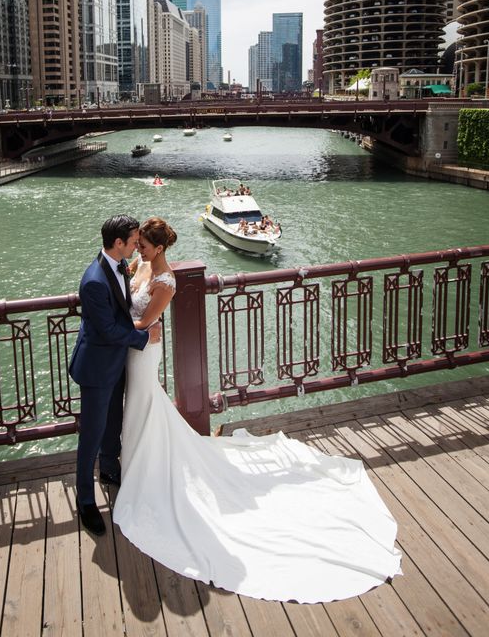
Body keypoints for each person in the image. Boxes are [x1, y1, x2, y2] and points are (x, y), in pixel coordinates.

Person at [112, 216, 402, 604]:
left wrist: (107, 324)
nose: (139, 250)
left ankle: (142, 470)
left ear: (160, 248)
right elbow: (128, 288)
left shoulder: (167, 282)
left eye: (144, 246)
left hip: (145, 352)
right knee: (143, 409)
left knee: (146, 405)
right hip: (132, 351)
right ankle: (137, 463)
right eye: (138, 246)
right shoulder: (143, 266)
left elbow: (146, 321)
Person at [68, 214, 161, 536]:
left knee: (113, 420)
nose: (138, 245)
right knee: (90, 436)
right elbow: (107, 329)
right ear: (118, 243)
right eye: (134, 241)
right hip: (97, 367)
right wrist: (144, 338)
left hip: (115, 361)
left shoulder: (120, 265)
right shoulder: (94, 280)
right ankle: (85, 501)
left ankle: (109, 468)